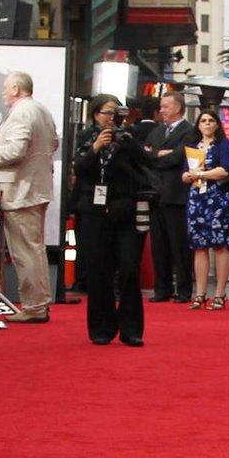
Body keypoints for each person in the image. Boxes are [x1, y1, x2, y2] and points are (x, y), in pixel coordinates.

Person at [0, 70, 60, 322]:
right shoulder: (41, 110)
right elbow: (54, 143)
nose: (3, 92)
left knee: (25, 251)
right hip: (33, 187)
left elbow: (15, 150)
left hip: (21, 190)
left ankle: (34, 306)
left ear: (16, 89)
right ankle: (38, 303)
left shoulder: (22, 113)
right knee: (34, 248)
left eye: (6, 88)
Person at [71, 94, 146, 345]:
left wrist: (128, 143)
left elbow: (145, 162)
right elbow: (80, 169)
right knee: (98, 270)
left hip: (124, 208)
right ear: (96, 114)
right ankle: (101, 327)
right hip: (94, 209)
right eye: (107, 113)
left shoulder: (129, 136)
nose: (112, 118)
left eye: (116, 113)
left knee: (129, 268)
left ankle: (131, 329)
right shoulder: (85, 137)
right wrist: (96, 147)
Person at [184, 108, 229, 308]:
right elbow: (184, 174)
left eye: (211, 120)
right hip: (196, 198)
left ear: (217, 124)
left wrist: (200, 174)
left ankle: (220, 293)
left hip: (217, 199)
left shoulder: (223, 145)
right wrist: (190, 175)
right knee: (199, 246)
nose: (207, 124)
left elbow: (224, 170)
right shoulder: (193, 146)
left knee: (219, 245)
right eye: (203, 120)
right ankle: (200, 293)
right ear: (198, 125)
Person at [145, 91, 195, 302]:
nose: (162, 110)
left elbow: (178, 157)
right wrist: (157, 154)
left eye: (166, 106)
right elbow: (144, 156)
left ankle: (183, 289)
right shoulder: (156, 132)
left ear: (177, 107)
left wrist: (155, 155)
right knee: (159, 245)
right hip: (156, 194)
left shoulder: (189, 132)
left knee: (179, 245)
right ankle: (162, 288)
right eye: (161, 106)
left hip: (177, 195)